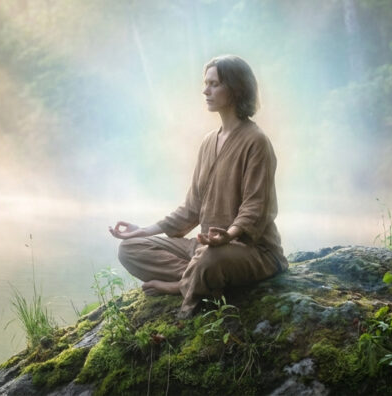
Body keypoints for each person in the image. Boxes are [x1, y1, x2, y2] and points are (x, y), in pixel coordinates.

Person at [109, 55, 288, 318]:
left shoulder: (256, 142)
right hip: (207, 246)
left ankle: (182, 286)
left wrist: (229, 235)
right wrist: (144, 230)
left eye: (214, 84)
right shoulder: (207, 143)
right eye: (206, 83)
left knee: (209, 261)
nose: (205, 90)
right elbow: (191, 209)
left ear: (236, 88)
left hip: (251, 251)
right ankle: (196, 280)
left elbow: (255, 207)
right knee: (130, 249)